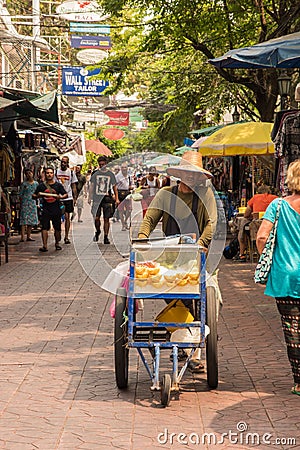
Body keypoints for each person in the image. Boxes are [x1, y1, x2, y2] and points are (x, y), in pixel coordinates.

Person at [138, 151, 217, 373]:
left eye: (195, 176)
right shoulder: (165, 194)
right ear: (180, 175)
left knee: (198, 298)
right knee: (173, 298)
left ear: (200, 178)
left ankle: (194, 353)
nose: (191, 180)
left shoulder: (205, 195)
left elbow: (212, 223)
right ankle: (181, 334)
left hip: (196, 257)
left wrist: (202, 242)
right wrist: (142, 240)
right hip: (170, 257)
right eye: (188, 175)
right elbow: (150, 219)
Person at [256, 160, 300, 395]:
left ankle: (299, 380)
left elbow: (262, 237)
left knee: (293, 330)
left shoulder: (278, 205)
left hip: (285, 275)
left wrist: (270, 260)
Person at [235, 185, 277, 262]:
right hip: (273, 227)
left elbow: (246, 214)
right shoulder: (275, 199)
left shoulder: (255, 197)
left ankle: (242, 254)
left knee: (243, 225)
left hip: (256, 227)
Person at [33, 167, 67, 252]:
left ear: (53, 174)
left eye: (51, 173)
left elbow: (65, 194)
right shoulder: (41, 186)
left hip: (56, 209)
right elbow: (33, 195)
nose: (49, 174)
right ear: (45, 174)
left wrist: (61, 197)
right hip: (45, 209)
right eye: (47, 173)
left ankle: (57, 243)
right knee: (44, 228)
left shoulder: (58, 185)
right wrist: (38, 196)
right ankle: (45, 245)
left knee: (57, 229)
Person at [88, 156, 119, 244]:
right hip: (97, 198)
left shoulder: (110, 174)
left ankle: (106, 236)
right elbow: (92, 185)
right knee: (96, 218)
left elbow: (114, 187)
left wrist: (116, 198)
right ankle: (98, 231)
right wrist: (90, 197)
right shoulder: (95, 173)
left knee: (106, 218)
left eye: (103, 164)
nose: (101, 166)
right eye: (100, 164)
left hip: (107, 199)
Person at [55, 156, 78, 244]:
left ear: (68, 163)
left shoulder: (71, 173)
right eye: (62, 162)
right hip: (58, 197)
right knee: (57, 217)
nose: (63, 164)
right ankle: (58, 235)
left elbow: (73, 186)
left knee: (67, 217)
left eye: (65, 162)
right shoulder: (56, 172)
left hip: (68, 197)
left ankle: (66, 236)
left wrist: (74, 198)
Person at [19, 168, 38, 242]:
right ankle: (22, 236)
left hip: (32, 203)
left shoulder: (36, 184)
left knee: (31, 220)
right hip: (25, 202)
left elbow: (37, 193)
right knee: (24, 220)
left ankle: (29, 236)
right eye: (27, 174)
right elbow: (20, 194)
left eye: (30, 173)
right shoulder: (24, 184)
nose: (28, 175)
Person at [115, 163, 134, 230]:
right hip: (120, 193)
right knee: (121, 210)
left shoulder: (129, 176)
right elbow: (114, 186)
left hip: (127, 193)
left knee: (129, 210)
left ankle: (125, 221)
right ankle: (123, 224)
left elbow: (132, 184)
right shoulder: (117, 176)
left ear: (127, 168)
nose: (124, 169)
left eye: (125, 167)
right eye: (122, 167)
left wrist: (131, 187)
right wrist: (115, 196)